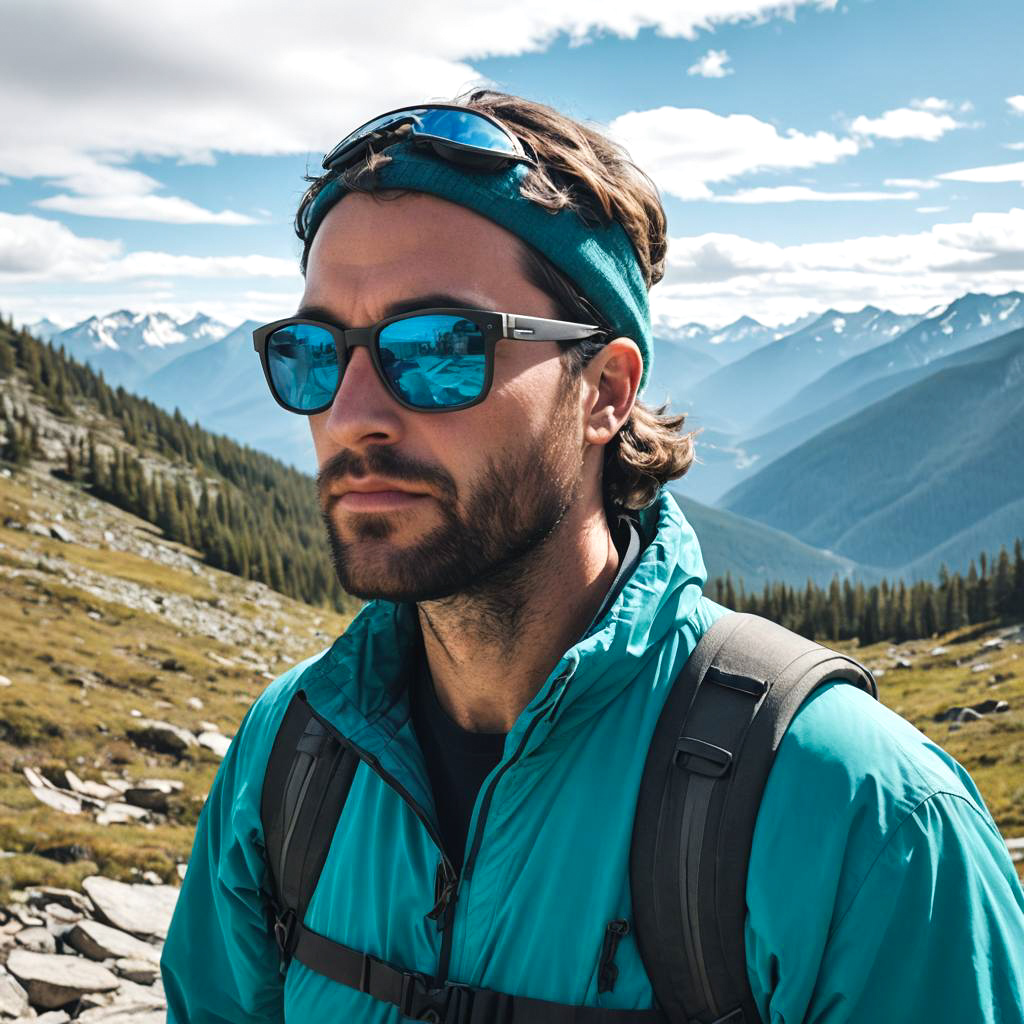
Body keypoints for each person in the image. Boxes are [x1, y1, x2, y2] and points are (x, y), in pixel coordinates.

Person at [161, 90, 1024, 1023]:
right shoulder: (288, 753)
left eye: (443, 346)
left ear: (605, 392)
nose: (352, 412)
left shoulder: (866, 815)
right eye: (313, 352)